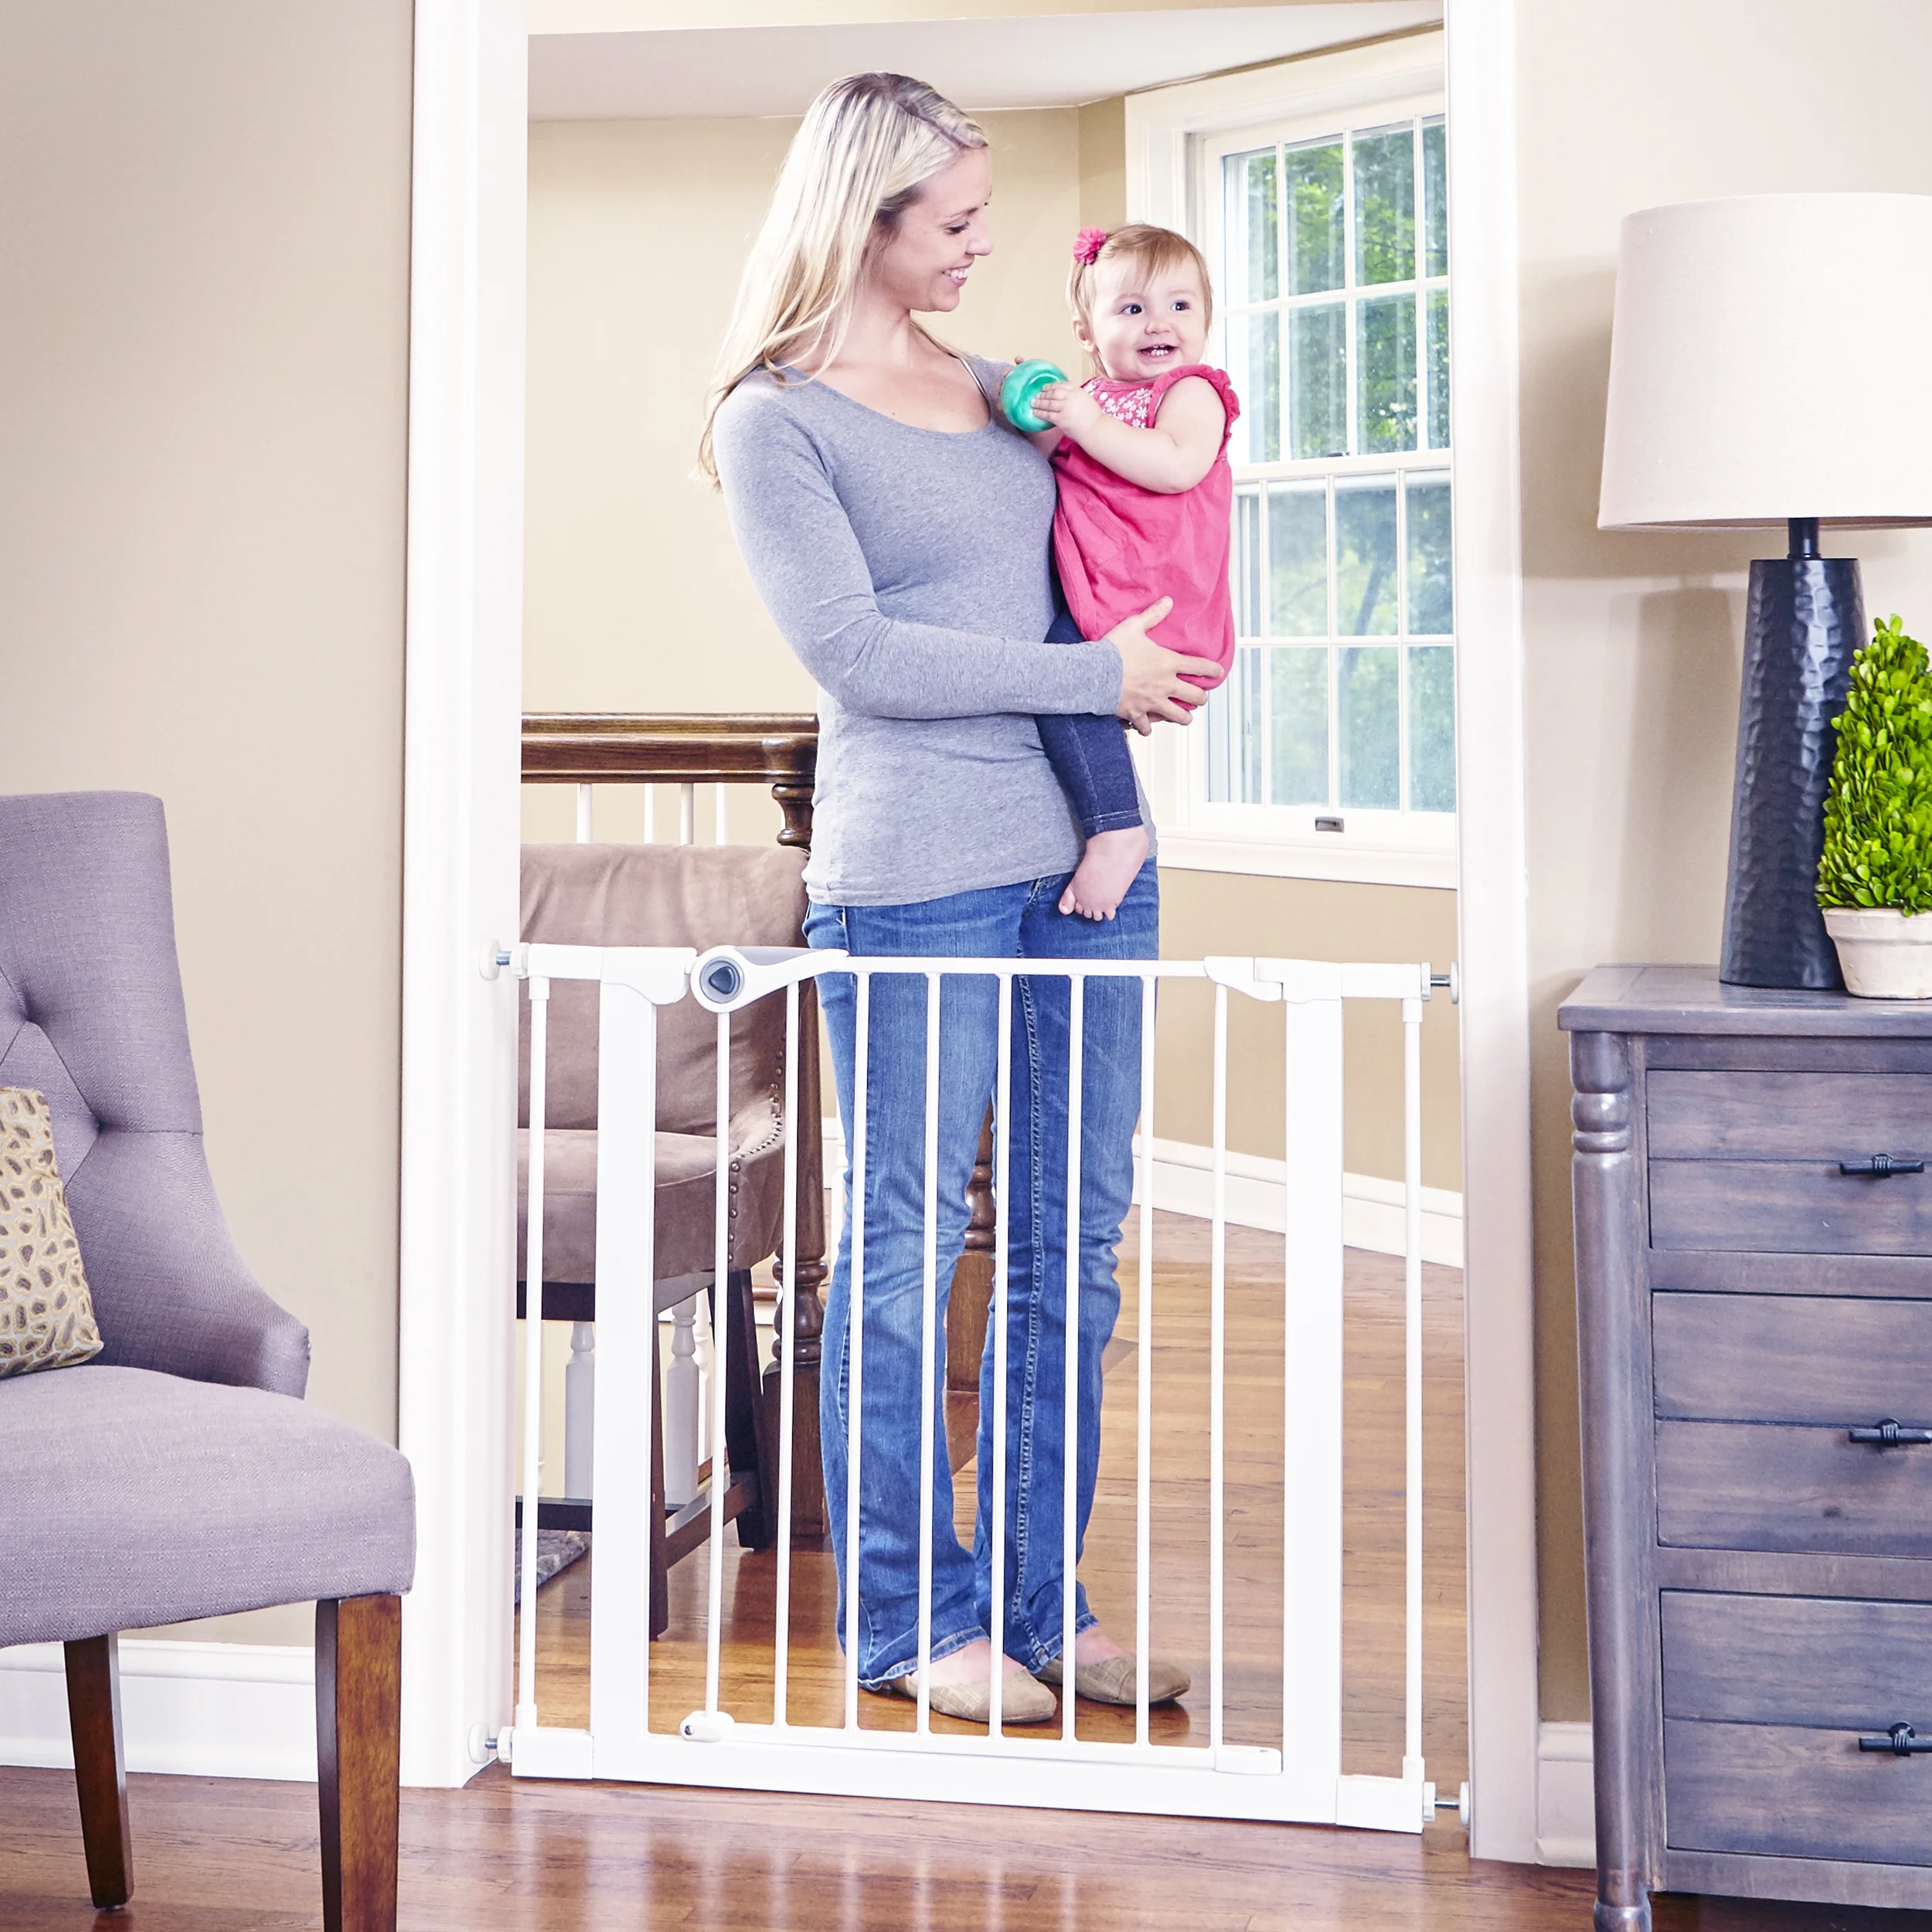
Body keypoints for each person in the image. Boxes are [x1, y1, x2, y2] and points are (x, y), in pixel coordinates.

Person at [702, 72, 1213, 1724]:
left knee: (1074, 1238)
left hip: (1084, 857)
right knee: (910, 1242)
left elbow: (1139, 487)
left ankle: (1037, 1602)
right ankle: (910, 1624)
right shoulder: (773, 419)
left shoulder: (1008, 384)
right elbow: (854, 654)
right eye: (956, 222)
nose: (983, 249)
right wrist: (1091, 669)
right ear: (863, 218)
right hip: (915, 869)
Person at [1026, 224, 1240, 922]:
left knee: (1061, 669)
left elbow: (1176, 465)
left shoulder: (1193, 393)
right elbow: (1043, 454)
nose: (1160, 324)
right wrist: (1035, 413)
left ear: (1206, 320)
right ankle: (1112, 818)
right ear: (1087, 330)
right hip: (1104, 579)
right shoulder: (1093, 398)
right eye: (1132, 308)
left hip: (1156, 591)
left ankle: (1117, 827)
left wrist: (1085, 423)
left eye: (1181, 306)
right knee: (1062, 673)